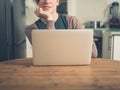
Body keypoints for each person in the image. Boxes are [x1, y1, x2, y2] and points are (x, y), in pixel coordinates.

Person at [25, 0, 98, 57]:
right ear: (38, 2)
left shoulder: (72, 21)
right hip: (47, 70)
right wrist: (49, 20)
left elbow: (93, 53)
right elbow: (51, 55)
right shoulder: (31, 29)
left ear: (57, 1)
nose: (47, 1)